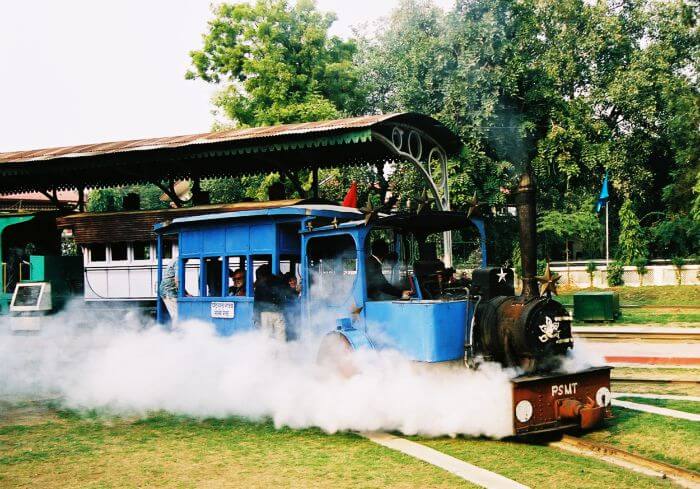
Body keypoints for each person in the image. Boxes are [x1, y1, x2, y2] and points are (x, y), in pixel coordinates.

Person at [254, 264, 286, 340]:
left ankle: (269, 351)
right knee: (280, 336)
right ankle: (283, 350)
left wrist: (256, 316)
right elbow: (284, 294)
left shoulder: (260, 284)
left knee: (267, 337)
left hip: (265, 313)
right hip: (278, 311)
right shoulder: (278, 281)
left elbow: (257, 301)